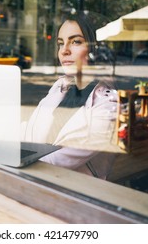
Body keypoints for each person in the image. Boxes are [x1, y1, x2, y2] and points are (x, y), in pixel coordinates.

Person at [21, 14, 119, 180]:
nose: (64, 50)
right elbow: (30, 131)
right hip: (35, 181)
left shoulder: (107, 103)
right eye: (61, 43)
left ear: (93, 49)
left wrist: (21, 163)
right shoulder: (59, 87)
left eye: (75, 42)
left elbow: (61, 161)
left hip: (74, 194)